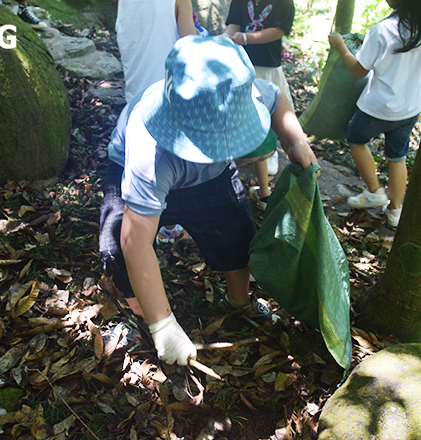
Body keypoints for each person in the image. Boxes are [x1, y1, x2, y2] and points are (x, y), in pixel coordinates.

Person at [99, 35, 318, 366]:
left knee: (237, 234)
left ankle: (240, 301)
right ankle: (143, 311)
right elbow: (135, 241)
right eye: (206, 144)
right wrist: (163, 325)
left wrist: (295, 139)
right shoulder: (150, 152)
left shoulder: (236, 92)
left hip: (212, 181)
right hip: (135, 169)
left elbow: (276, 100)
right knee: (115, 245)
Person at [329, 0, 421, 227]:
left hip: (379, 107)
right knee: (397, 156)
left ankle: (375, 191)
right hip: (410, 106)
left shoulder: (381, 30)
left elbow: (359, 70)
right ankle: (395, 210)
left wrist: (341, 47)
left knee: (356, 138)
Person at [116, 0, 197, 242]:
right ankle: (169, 225)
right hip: (167, 95)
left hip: (135, 96)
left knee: (143, 165)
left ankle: (142, 229)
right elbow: (191, 48)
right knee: (171, 164)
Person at [224, 0, 296, 208]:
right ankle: (262, 184)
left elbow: (278, 31)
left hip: (267, 67)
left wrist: (246, 38)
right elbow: (234, 24)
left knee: (272, 114)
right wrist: (226, 38)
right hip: (241, 65)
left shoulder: (284, 3)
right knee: (249, 116)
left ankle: (270, 152)